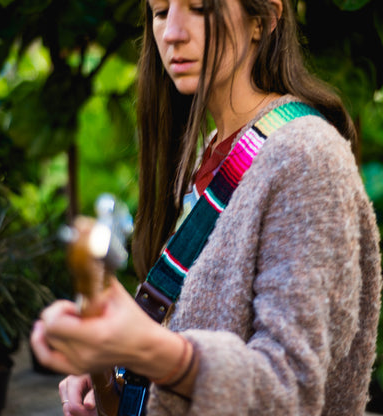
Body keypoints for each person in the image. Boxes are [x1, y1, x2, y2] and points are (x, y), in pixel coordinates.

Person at [31, 0, 382, 415]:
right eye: (160, 12)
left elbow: (291, 390)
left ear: (264, 17)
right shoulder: (213, 150)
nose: (172, 33)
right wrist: (115, 370)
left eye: (198, 7)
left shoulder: (306, 155)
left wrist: (150, 349)